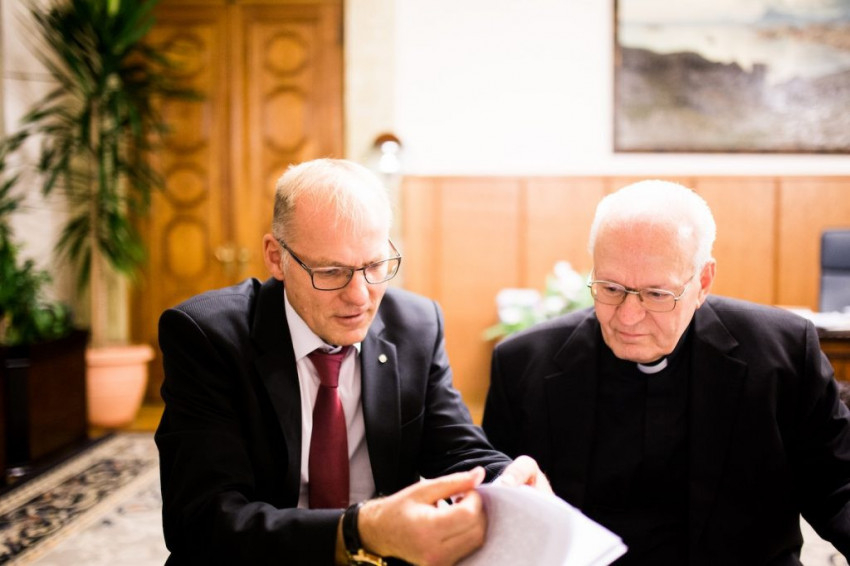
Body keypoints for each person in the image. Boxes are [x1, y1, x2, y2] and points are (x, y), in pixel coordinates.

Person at [155, 158, 548, 566]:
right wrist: (361, 530)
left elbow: (457, 448)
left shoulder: (415, 326)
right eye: (331, 271)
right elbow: (202, 521)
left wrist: (511, 485)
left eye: (375, 265)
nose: (360, 297)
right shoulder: (209, 337)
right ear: (275, 257)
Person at [481, 179, 850, 566]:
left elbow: (839, 483)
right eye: (611, 288)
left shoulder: (782, 352)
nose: (628, 317)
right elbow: (499, 500)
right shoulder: (524, 363)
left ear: (702, 282)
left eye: (657, 294)